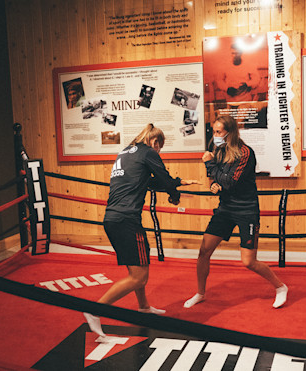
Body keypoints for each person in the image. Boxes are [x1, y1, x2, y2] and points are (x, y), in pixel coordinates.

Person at [84, 123, 199, 342]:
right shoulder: (148, 152)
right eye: (160, 148)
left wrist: (179, 182)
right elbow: (162, 178)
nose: (159, 152)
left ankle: (144, 307)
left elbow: (148, 182)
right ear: (155, 143)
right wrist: (174, 195)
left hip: (114, 218)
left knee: (140, 263)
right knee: (138, 276)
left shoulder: (126, 152)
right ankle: (94, 309)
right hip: (127, 220)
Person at [183, 115, 288, 310]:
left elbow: (229, 182)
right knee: (204, 251)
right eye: (214, 131)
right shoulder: (218, 150)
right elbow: (215, 180)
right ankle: (200, 293)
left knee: (249, 261)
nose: (215, 136)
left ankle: (280, 287)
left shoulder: (245, 153)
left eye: (218, 132)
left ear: (230, 133)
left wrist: (209, 166)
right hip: (225, 208)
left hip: (246, 209)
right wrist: (213, 183)